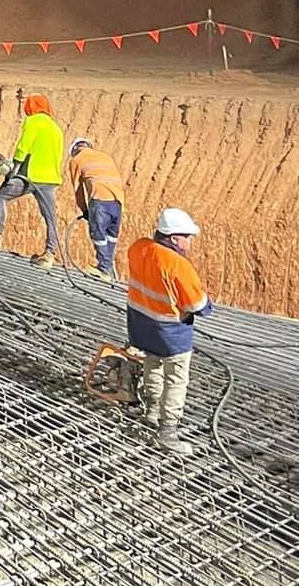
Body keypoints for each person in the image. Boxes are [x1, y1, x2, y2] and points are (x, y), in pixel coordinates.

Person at [125, 208, 212, 456]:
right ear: (173, 238)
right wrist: (208, 305)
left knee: (152, 363)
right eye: (187, 236)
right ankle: (168, 432)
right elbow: (195, 305)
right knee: (176, 378)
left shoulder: (138, 247)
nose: (190, 241)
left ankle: (151, 412)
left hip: (141, 325)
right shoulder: (177, 264)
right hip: (170, 331)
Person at [0, 93, 63, 263]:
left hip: (29, 176)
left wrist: (13, 169)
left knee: (0, 196)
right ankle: (50, 254)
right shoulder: (56, 129)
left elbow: (24, 147)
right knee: (50, 218)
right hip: (50, 180)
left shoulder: (33, 121)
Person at [68, 135, 125, 278]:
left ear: (75, 150)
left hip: (100, 199)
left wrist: (84, 210)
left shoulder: (76, 160)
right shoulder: (105, 157)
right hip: (117, 200)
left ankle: (105, 268)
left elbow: (78, 189)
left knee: (98, 233)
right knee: (111, 235)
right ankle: (108, 267)